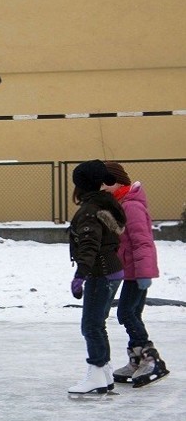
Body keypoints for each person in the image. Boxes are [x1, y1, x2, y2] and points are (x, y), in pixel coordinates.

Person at [102, 162, 169, 387]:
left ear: (116, 182)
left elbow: (143, 242)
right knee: (131, 314)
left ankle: (151, 358)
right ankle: (138, 360)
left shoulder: (131, 206)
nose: (101, 189)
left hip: (136, 272)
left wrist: (144, 273)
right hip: (128, 271)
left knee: (126, 313)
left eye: (104, 184)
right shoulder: (120, 204)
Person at [67, 160, 126, 396]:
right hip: (112, 270)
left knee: (90, 325)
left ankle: (96, 373)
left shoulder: (90, 211)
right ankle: (104, 373)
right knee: (97, 323)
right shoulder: (106, 204)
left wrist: (80, 274)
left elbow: (89, 245)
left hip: (100, 272)